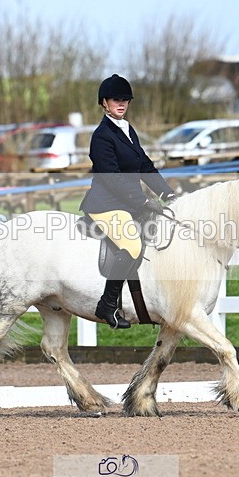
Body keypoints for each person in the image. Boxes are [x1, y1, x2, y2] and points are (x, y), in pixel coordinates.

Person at [79, 74, 176, 329]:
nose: (121, 104)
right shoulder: (101, 136)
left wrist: (167, 193)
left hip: (128, 203)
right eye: (115, 99)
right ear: (104, 103)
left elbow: (144, 164)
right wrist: (143, 200)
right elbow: (112, 178)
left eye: (125, 100)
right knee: (132, 245)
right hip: (106, 205)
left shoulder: (127, 129)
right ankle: (108, 305)